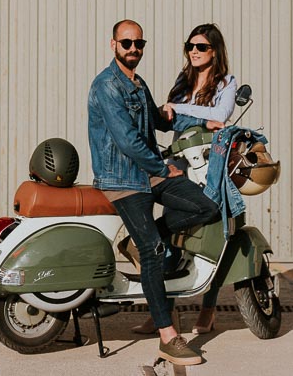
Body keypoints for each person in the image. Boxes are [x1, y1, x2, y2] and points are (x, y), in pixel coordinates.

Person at [87, 19, 223, 367]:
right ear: (113, 44)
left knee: (207, 207)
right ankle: (168, 337)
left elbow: (159, 120)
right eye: (127, 43)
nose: (134, 49)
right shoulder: (106, 86)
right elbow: (127, 140)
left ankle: (147, 239)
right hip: (123, 180)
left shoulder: (137, 82)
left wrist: (200, 123)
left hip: (148, 173)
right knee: (153, 253)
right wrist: (163, 168)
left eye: (139, 44)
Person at [135, 23, 236, 336]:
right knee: (168, 239)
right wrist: (190, 115)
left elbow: (221, 116)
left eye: (201, 47)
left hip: (211, 167)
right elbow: (167, 120)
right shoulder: (183, 80)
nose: (194, 51)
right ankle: (163, 313)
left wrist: (180, 109)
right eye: (190, 46)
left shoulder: (226, 82)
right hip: (179, 164)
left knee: (212, 239)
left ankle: (208, 309)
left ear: (215, 51)